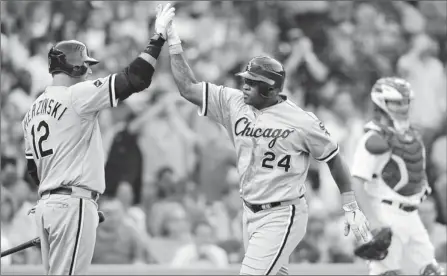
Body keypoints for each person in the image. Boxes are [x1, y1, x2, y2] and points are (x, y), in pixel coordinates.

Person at [163, 5, 370, 275]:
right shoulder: (233, 101)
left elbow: (334, 158)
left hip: (283, 213)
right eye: (246, 79)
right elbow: (188, 88)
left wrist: (350, 205)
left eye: (253, 81)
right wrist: (174, 41)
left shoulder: (301, 120)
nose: (245, 85)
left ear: (271, 89)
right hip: (249, 211)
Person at [21, 4, 175, 274]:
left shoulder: (32, 110)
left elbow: (34, 171)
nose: (90, 71)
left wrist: (56, 199)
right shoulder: (76, 95)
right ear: (75, 66)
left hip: (47, 206)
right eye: (86, 65)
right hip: (71, 204)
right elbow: (136, 78)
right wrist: (158, 37)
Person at [350, 77, 445, 275]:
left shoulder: (412, 134)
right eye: (396, 102)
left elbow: (417, 170)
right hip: (386, 211)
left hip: (412, 213)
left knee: (431, 270)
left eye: (405, 101)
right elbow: (357, 182)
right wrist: (373, 221)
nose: (403, 107)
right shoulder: (373, 138)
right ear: (381, 102)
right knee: (387, 272)